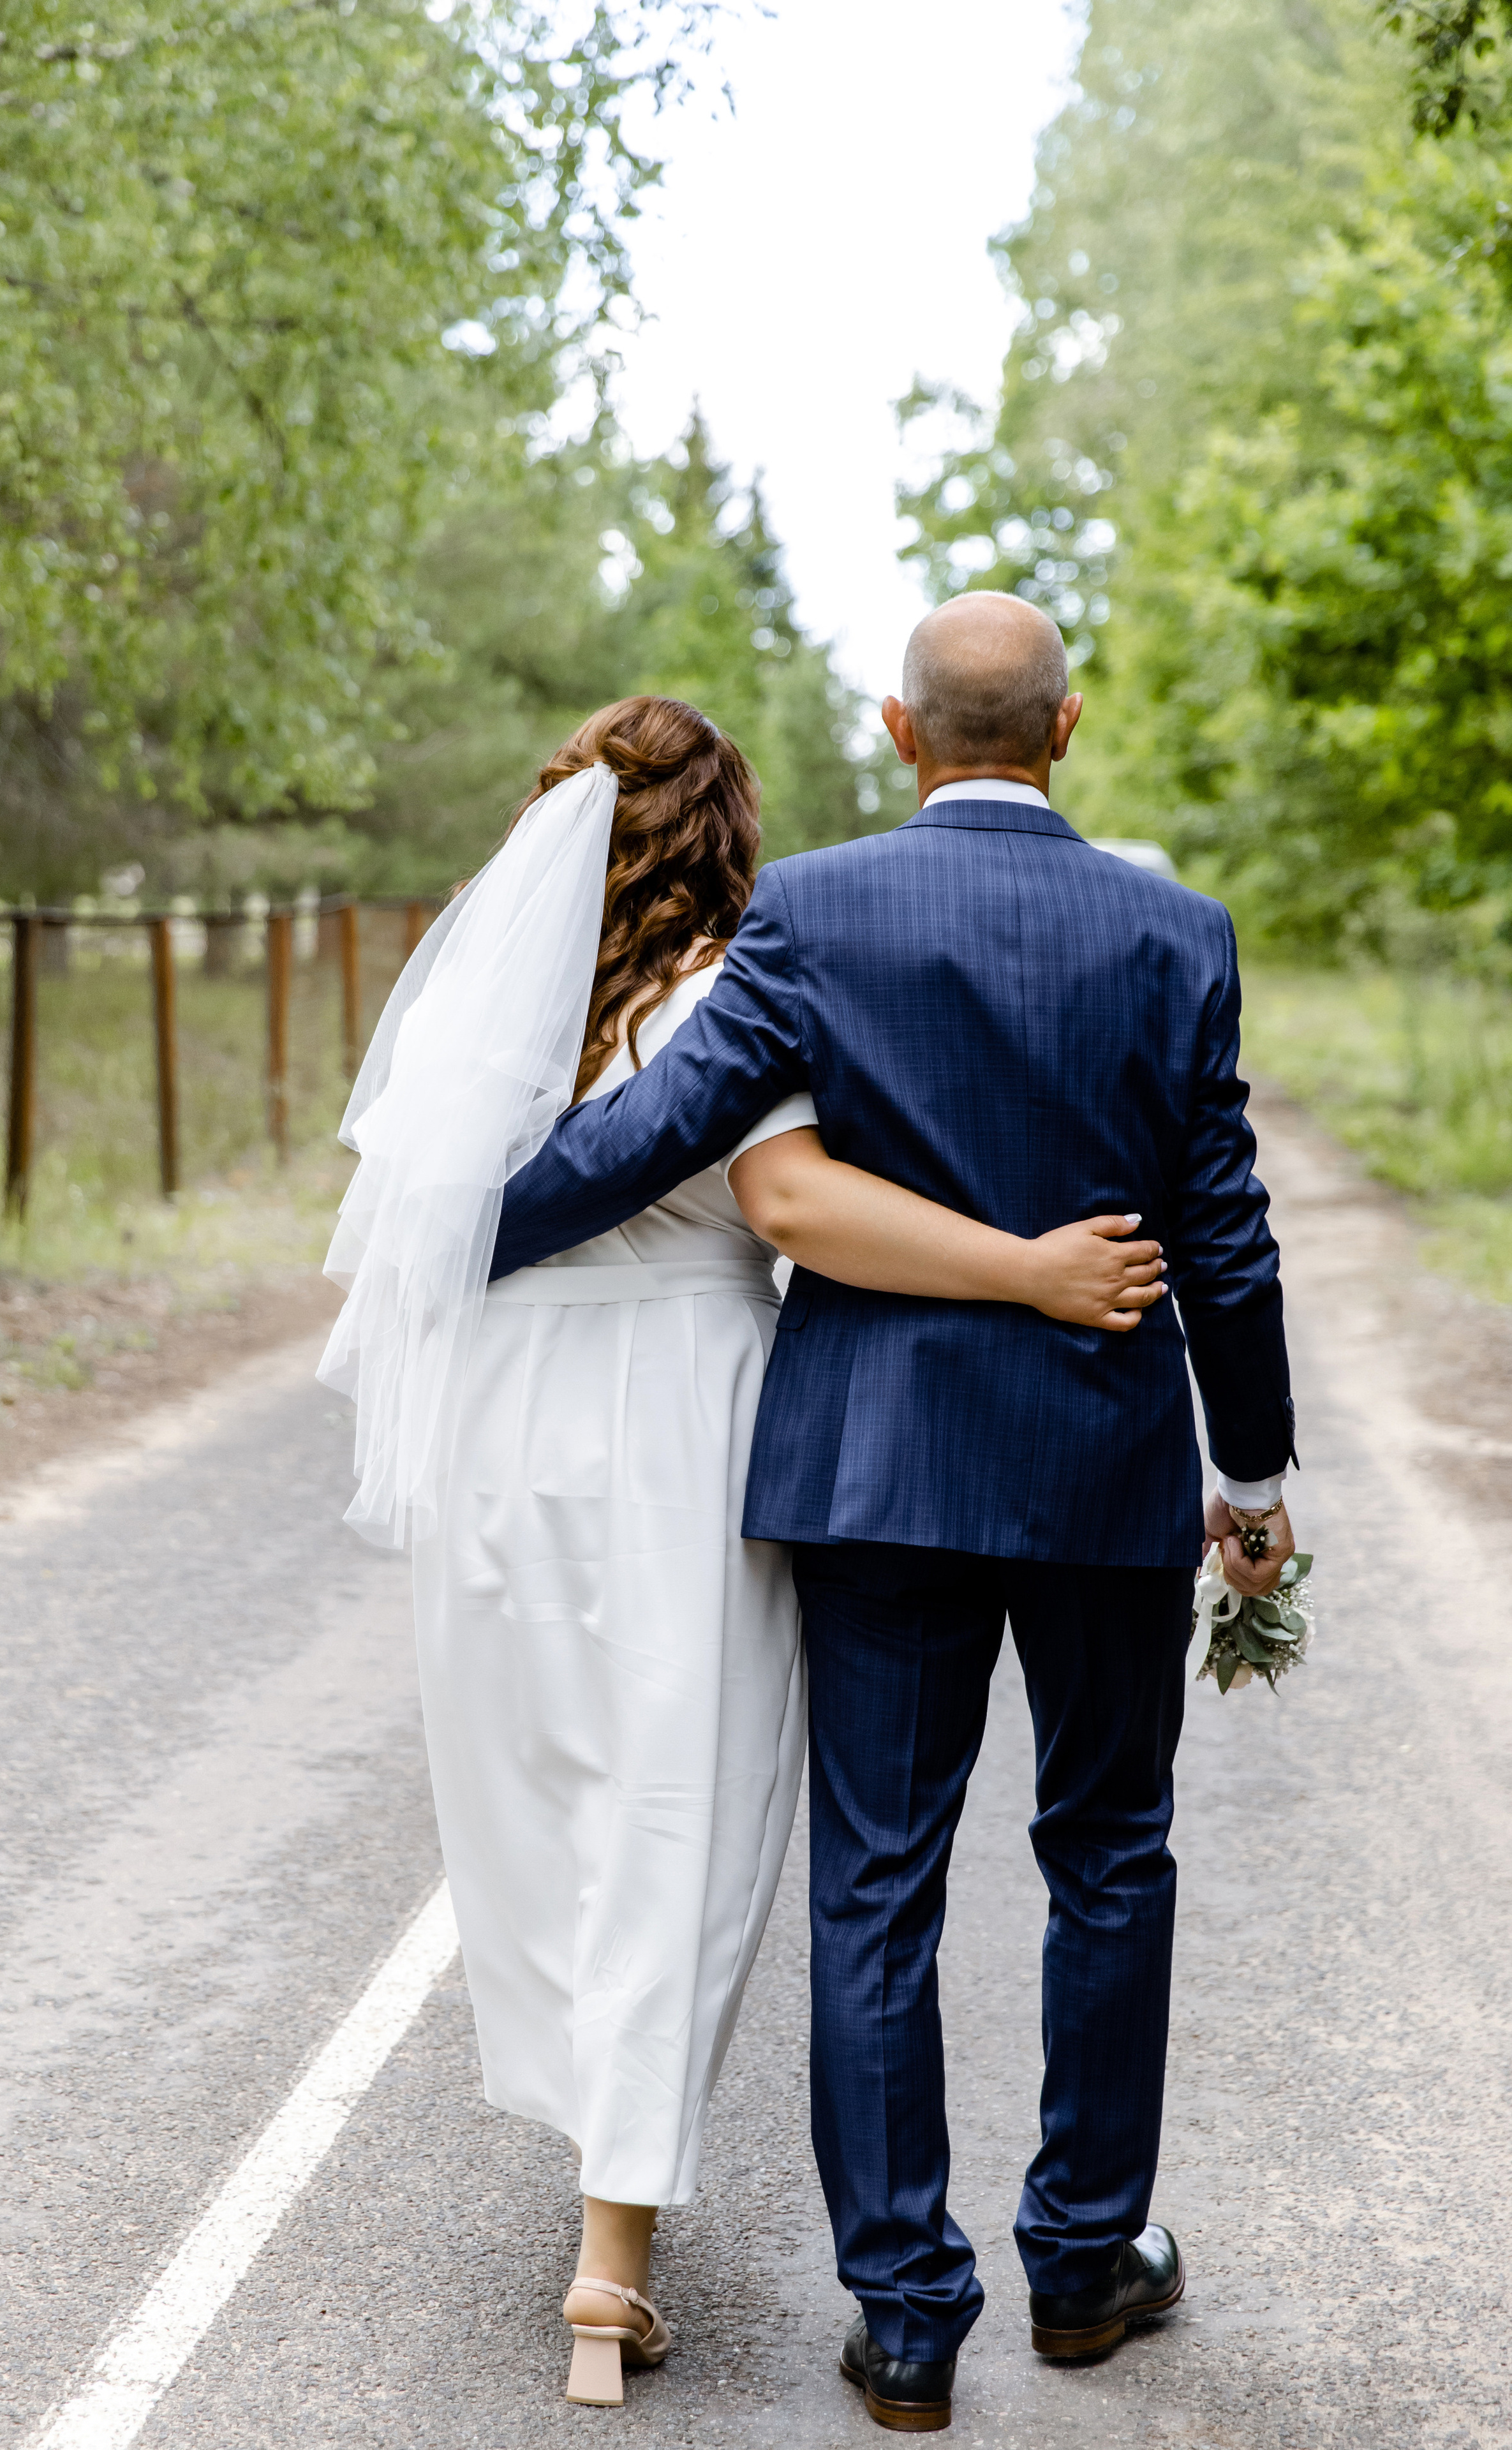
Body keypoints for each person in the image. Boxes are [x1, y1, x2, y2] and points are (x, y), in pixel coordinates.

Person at [488, 602, 1297, 2435]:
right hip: (1100, 1468)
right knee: (1111, 1854)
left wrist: (462, 1224)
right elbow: (1226, 1232)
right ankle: (1082, 2266)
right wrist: (1249, 1479)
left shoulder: (814, 912)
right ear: (1068, 727)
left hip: (878, 1477)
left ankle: (910, 2317)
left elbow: (662, 1131)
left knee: (876, 1882)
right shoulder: (1178, 934)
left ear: (899, 728)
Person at [321, 692, 1175, 2412]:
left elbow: (431, 1225)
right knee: (675, 1808)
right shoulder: (739, 984)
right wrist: (1031, 1270)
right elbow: (788, 1205)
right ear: (726, 834)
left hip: (502, 1426)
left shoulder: (493, 1008)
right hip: (674, 1415)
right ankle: (612, 2249)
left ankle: (609, 2188)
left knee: (543, 1798)